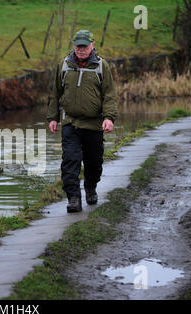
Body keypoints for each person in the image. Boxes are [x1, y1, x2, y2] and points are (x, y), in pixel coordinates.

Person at [47, 30, 118, 213]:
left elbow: (109, 95)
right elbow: (55, 93)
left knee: (94, 162)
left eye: (84, 46)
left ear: (92, 45)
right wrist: (53, 118)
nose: (81, 49)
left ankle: (90, 187)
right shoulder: (64, 65)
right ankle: (73, 199)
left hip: (94, 125)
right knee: (70, 161)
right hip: (70, 123)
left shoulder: (101, 66)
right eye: (78, 46)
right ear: (74, 46)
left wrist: (109, 118)